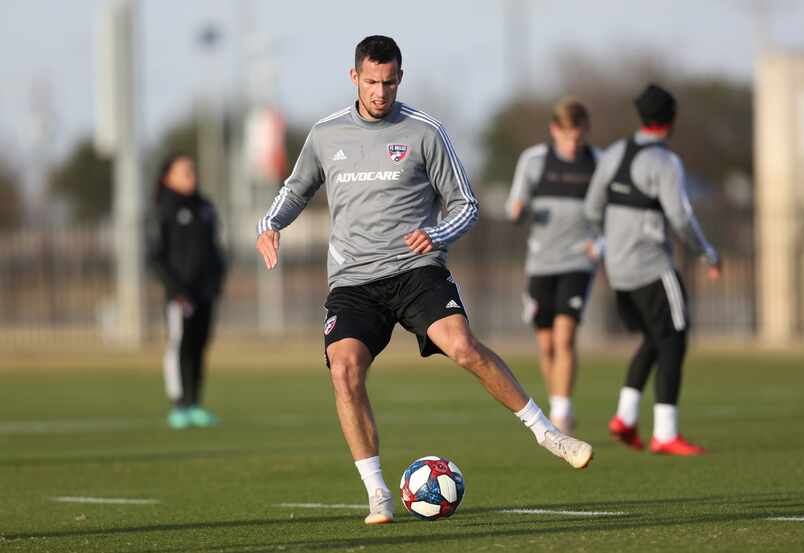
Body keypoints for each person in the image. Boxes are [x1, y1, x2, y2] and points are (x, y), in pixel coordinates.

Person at [256, 35, 593, 525]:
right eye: (371, 81)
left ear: (400, 78)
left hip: (417, 272)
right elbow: (296, 188)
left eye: (389, 82)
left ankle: (548, 433)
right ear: (354, 77)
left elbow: (467, 205)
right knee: (344, 370)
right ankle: (378, 494)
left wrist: (435, 234)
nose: (379, 92)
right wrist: (270, 226)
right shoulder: (326, 134)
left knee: (462, 347)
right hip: (353, 282)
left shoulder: (424, 131)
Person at [584, 83, 721, 456]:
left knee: (653, 338)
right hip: (653, 266)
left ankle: (626, 417)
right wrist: (707, 252)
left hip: (619, 270)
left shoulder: (614, 154)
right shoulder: (665, 161)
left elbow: (593, 206)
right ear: (670, 119)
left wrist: (607, 240)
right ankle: (666, 432)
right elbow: (681, 216)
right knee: (675, 337)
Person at [506, 98, 602, 434]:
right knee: (546, 343)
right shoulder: (534, 161)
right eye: (567, 138)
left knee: (565, 337)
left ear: (586, 131)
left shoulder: (597, 163)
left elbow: (609, 215)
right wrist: (519, 210)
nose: (573, 145)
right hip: (540, 261)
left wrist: (599, 244)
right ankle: (555, 399)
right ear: (554, 131)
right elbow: (514, 205)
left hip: (578, 261)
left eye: (578, 137)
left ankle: (561, 413)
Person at [147, 153, 226, 430]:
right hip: (180, 295)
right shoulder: (163, 209)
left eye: (193, 170)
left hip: (205, 293)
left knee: (199, 347)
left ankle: (195, 404)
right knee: (179, 346)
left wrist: (217, 281)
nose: (191, 175)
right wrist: (176, 289)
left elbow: (215, 249)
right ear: (168, 177)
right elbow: (155, 257)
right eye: (184, 171)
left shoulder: (205, 207)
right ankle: (179, 405)